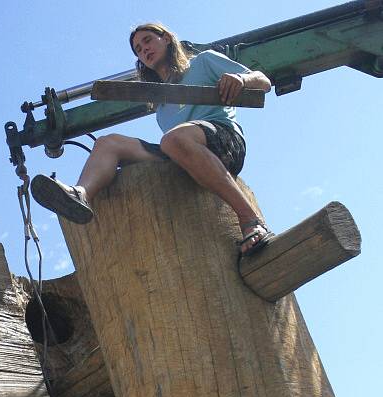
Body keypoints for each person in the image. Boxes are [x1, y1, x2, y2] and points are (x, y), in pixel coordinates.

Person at [31, 23, 274, 255]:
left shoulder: (204, 61)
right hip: (179, 150)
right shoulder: (161, 105)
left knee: (172, 140)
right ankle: (80, 195)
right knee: (107, 142)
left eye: (147, 40)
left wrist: (242, 80)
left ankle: (249, 219)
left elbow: (263, 82)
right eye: (138, 48)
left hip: (224, 140)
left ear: (166, 38)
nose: (144, 49)